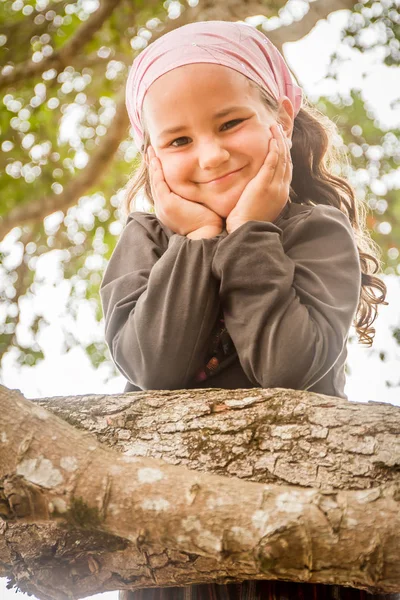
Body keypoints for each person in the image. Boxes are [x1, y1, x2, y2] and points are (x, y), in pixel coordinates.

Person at [100, 20, 390, 600]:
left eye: (230, 123)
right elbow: (153, 368)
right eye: (178, 141)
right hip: (176, 549)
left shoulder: (315, 231)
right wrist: (198, 241)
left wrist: (251, 232)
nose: (210, 156)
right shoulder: (146, 240)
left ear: (280, 119)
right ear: (152, 155)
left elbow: (285, 369)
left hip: (303, 533)